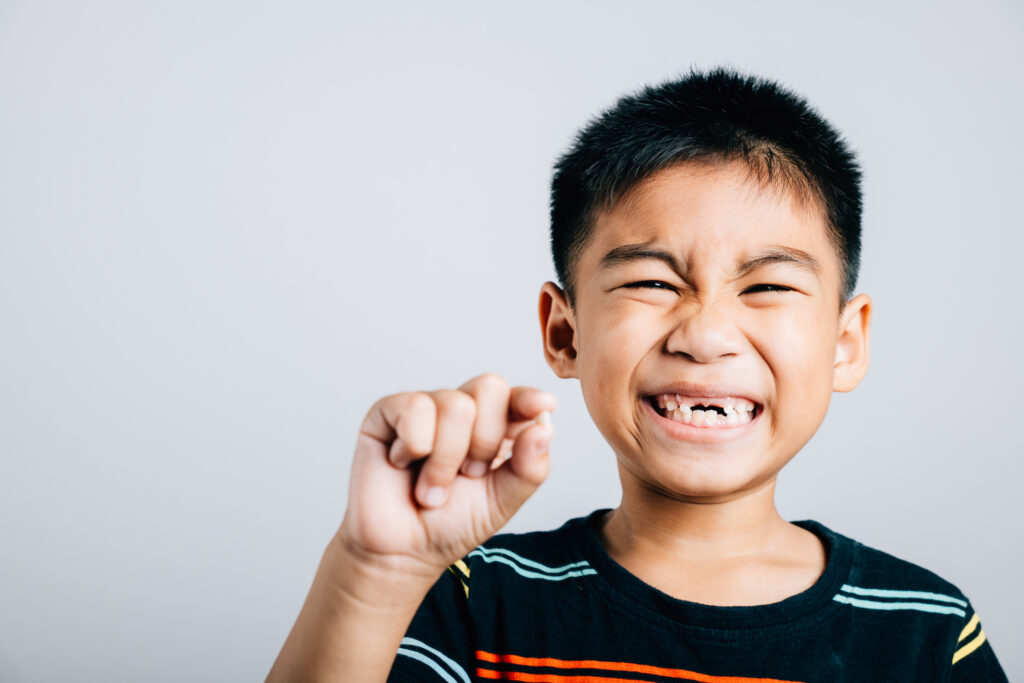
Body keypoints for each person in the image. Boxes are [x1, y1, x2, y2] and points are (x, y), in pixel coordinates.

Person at [266, 67, 1008, 682]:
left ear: (846, 342)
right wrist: (373, 572)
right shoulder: (471, 599)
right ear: (565, 331)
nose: (707, 333)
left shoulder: (926, 633)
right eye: (653, 282)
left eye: (768, 286)